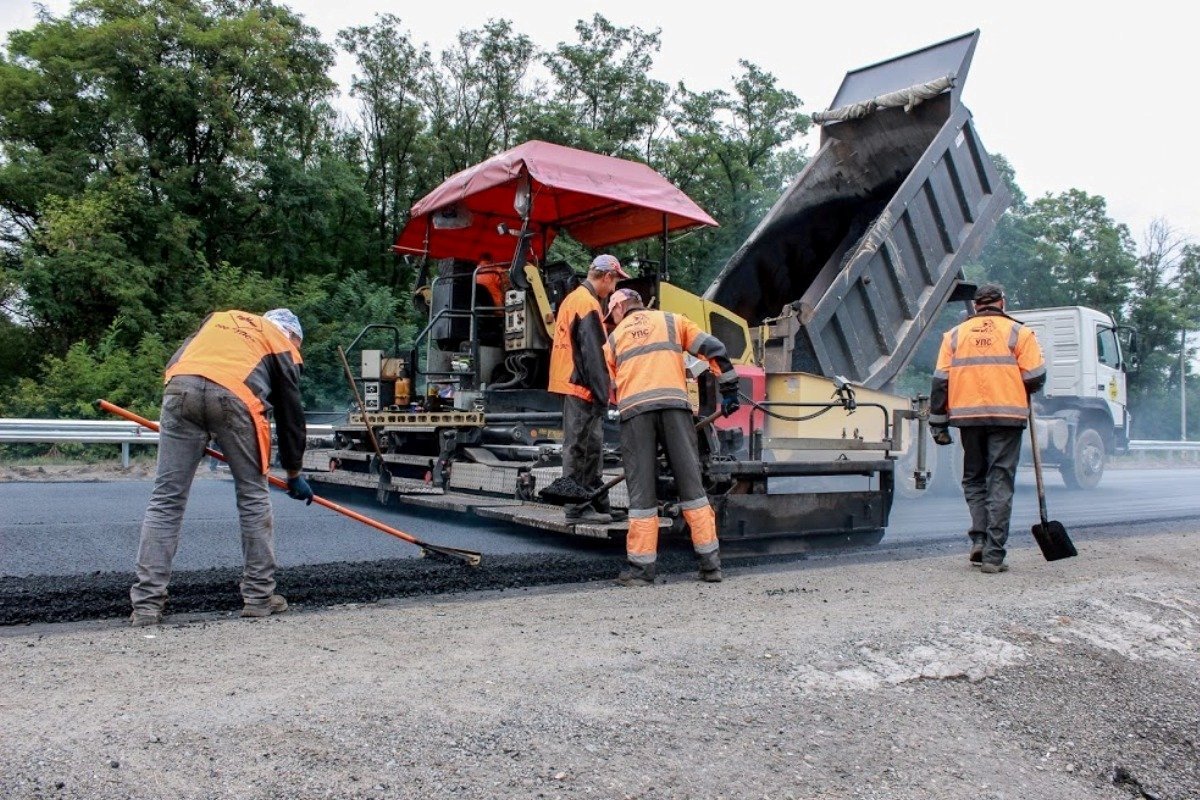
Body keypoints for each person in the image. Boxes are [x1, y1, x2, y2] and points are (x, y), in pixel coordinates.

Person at [129, 309, 314, 626]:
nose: (296, 351)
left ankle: (146, 606)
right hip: (236, 396)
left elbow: (180, 362)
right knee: (253, 497)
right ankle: (258, 597)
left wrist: (201, 426)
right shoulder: (281, 343)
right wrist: (294, 472)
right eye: (297, 344)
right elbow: (290, 413)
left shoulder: (219, 319)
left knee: (166, 500)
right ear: (291, 335)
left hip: (179, 388)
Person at [602, 288, 741, 586]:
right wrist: (728, 390)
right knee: (692, 489)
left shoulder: (613, 340)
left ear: (619, 308)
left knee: (641, 495)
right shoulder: (673, 321)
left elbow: (610, 387)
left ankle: (641, 572)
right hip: (676, 411)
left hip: (636, 415)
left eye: (611, 314)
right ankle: (710, 567)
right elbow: (714, 348)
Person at [929, 284, 1046, 574]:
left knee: (974, 479)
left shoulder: (954, 335)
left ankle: (979, 539)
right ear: (1002, 303)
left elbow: (940, 381)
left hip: (968, 418)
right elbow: (1036, 376)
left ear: (976, 306)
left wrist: (938, 421)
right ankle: (993, 555)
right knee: (1000, 480)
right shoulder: (1020, 333)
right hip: (1007, 417)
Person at [548, 254, 629, 524]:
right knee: (581, 447)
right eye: (614, 282)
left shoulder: (573, 299)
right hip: (581, 384)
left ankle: (597, 502)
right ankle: (577, 508)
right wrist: (603, 393)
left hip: (571, 381)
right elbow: (594, 355)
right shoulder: (587, 304)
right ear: (606, 277)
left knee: (590, 446)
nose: (614, 290)